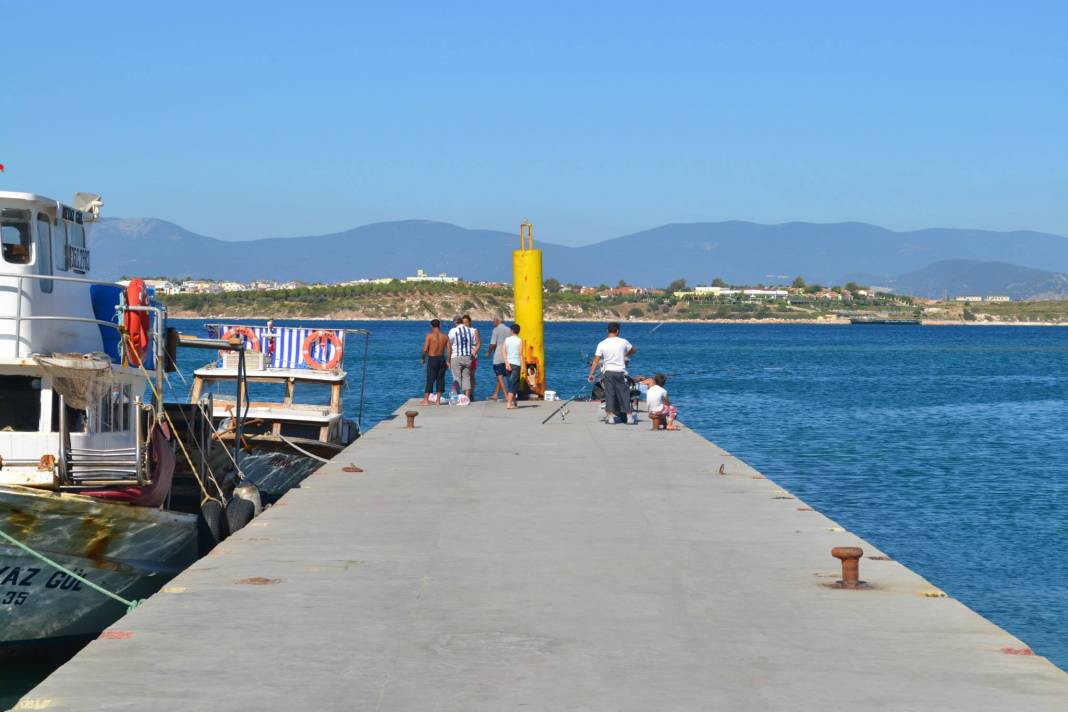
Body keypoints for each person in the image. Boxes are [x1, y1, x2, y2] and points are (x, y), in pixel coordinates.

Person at [587, 322, 636, 424]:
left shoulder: (602, 343)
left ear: (607, 331)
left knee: (609, 394)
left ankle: (610, 417)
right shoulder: (623, 342)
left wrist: (591, 374)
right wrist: (625, 355)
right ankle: (629, 417)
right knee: (624, 394)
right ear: (617, 331)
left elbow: (596, 360)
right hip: (620, 372)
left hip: (608, 372)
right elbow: (633, 350)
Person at [446, 316, 476, 400]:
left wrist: (448, 360)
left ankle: (458, 397)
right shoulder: (470, 331)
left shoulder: (453, 331)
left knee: (457, 378)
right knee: (467, 377)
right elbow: (474, 342)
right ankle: (466, 398)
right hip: (467, 357)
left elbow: (449, 343)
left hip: (456, 356)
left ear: (455, 322)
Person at [420, 319, 449, 405]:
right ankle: (437, 401)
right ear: (439, 325)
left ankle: (425, 400)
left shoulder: (429, 336)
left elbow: (425, 349)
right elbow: (449, 350)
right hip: (441, 359)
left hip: (432, 359)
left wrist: (423, 358)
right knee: (440, 379)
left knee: (430, 379)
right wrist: (448, 361)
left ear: (431, 326)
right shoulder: (445, 336)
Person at [486, 316, 512, 402]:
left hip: (498, 355)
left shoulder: (496, 330)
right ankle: (496, 394)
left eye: (494, 320)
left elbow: (493, 344)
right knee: (501, 375)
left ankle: (506, 395)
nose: (493, 322)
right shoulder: (509, 329)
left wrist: (489, 352)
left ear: (497, 321)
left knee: (499, 376)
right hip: (508, 355)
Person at [503, 323, 525, 410]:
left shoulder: (507, 339)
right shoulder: (520, 341)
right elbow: (520, 354)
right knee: (513, 385)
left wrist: (506, 363)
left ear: (511, 331)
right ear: (519, 331)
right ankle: (509, 404)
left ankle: (514, 402)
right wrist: (523, 366)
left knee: (511, 384)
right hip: (516, 364)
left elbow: (503, 352)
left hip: (508, 363)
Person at [461, 314, 481, 400]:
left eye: (466, 322)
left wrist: (473, 354)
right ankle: (465, 392)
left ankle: (471, 393)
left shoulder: (474, 330)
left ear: (470, 322)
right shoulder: (460, 331)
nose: (465, 324)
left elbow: (479, 344)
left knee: (471, 375)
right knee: (464, 375)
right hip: (462, 355)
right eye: (463, 322)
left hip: (472, 355)